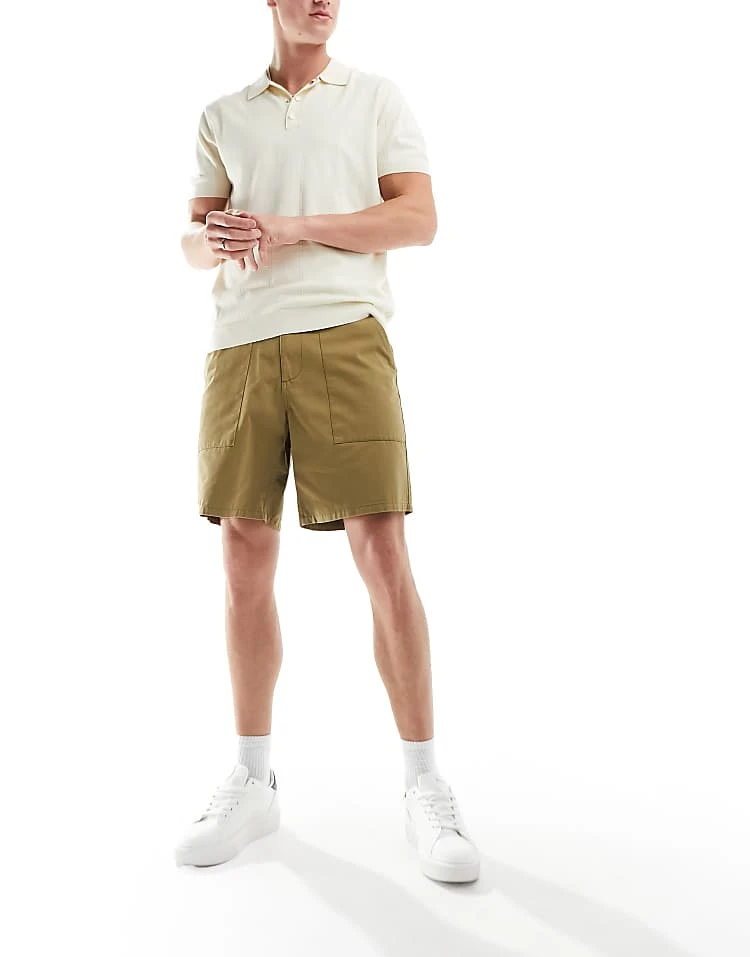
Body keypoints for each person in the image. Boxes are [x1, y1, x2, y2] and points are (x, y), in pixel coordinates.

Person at [174, 0, 480, 884]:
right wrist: (212, 237)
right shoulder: (222, 114)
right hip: (240, 343)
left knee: (381, 547)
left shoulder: (376, 98)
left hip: (347, 334)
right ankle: (253, 778)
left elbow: (418, 219)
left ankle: (425, 785)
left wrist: (296, 226)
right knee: (244, 553)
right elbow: (192, 241)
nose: (322, 1)